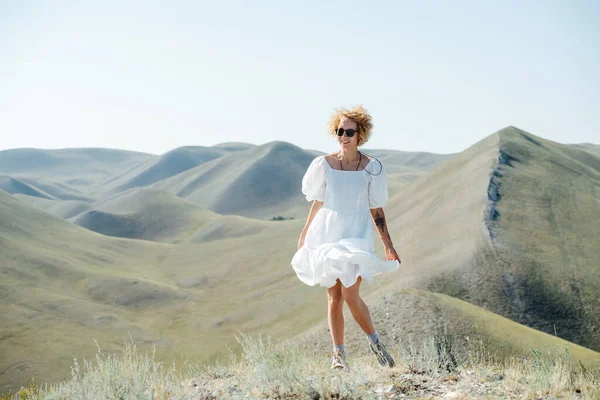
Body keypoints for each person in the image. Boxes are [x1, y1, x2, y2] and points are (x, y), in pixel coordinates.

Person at [291, 105, 401, 370]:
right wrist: (305, 232)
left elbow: (376, 208)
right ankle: (338, 355)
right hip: (327, 230)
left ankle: (376, 344)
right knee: (334, 296)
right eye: (339, 131)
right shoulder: (323, 165)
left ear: (360, 134)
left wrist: (388, 244)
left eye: (349, 131)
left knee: (351, 294)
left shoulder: (371, 168)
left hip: (356, 232)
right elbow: (318, 200)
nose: (343, 136)